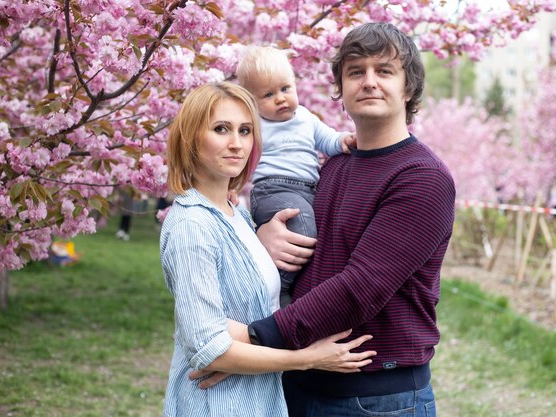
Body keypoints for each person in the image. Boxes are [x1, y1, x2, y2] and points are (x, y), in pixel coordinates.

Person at [245, 23, 456, 416]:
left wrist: (258, 337)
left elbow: (361, 288)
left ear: (408, 88)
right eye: (356, 71)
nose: (369, 81)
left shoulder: (421, 178)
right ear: (341, 89)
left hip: (376, 398)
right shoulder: (334, 165)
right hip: (299, 380)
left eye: (384, 70)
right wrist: (262, 235)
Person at [159, 82, 375, 417]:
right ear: (190, 138)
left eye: (245, 130)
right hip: (216, 404)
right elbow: (208, 348)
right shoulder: (191, 225)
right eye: (221, 129)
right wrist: (307, 359)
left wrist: (262, 235)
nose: (236, 143)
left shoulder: (237, 214)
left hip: (257, 398)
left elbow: (237, 308)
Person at [235, 46, 356, 307]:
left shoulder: (305, 118)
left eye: (285, 89)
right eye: (268, 94)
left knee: (315, 232)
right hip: (273, 190)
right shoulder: (254, 125)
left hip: (307, 190)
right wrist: (231, 187)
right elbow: (241, 159)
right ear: (252, 102)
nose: (280, 98)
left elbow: (328, 139)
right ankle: (275, 288)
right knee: (303, 230)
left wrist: (344, 139)